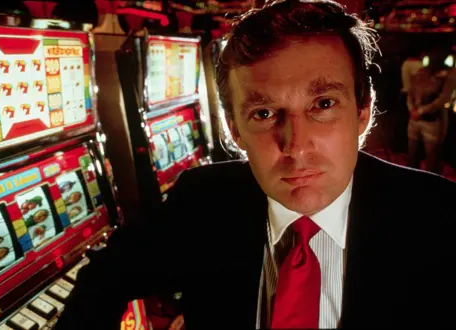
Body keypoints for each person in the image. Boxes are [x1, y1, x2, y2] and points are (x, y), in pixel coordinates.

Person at [55, 1, 456, 329]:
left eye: (323, 104)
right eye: (264, 114)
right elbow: (102, 278)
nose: (296, 148)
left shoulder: (438, 216)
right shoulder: (201, 200)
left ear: (363, 113)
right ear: (234, 130)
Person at [406, 44, 456, 174]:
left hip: (432, 122)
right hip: (415, 119)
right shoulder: (422, 72)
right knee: (412, 156)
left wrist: (420, 111)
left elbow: (443, 99)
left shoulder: (449, 75)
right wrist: (412, 109)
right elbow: (410, 92)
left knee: (432, 159)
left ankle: (430, 188)